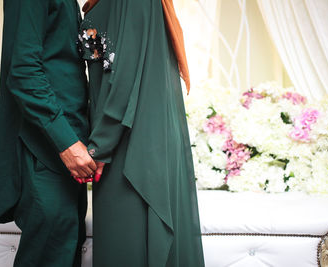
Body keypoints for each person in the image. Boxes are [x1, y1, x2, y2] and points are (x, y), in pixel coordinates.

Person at [79, 0, 205, 266]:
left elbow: (124, 79)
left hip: (130, 145)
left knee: (131, 246)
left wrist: (99, 147)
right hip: (119, 139)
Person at [0, 0, 97, 266]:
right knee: (51, 253)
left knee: (66, 248)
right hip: (46, 148)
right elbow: (23, 71)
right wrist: (67, 143)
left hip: (65, 143)